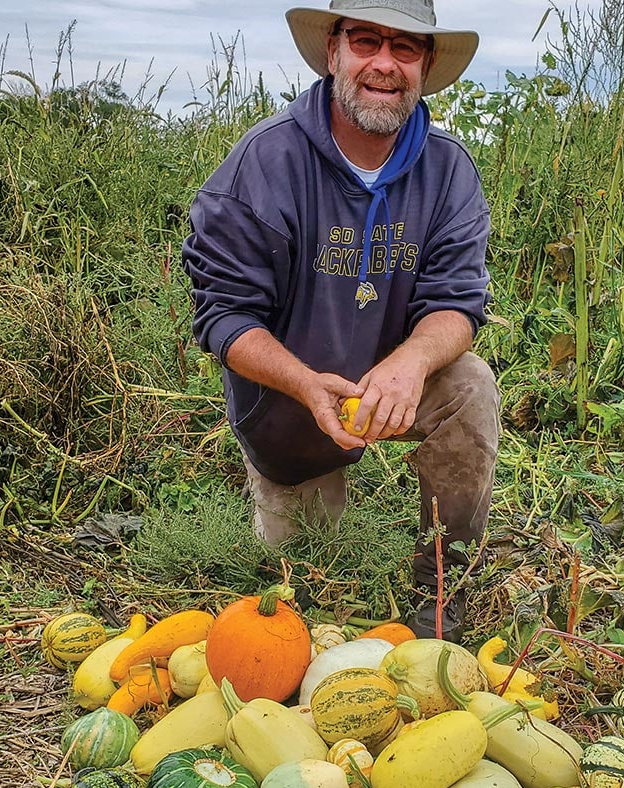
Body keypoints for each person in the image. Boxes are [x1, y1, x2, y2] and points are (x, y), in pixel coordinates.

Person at [182, 0, 499, 641]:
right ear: (333, 51)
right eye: (365, 41)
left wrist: (410, 363)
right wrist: (305, 384)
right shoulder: (260, 168)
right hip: (289, 402)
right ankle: (302, 509)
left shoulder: (448, 173)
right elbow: (226, 318)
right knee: (298, 607)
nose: (384, 63)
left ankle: (443, 581)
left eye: (404, 47)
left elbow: (458, 301)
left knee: (469, 386)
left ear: (426, 64)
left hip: (395, 381)